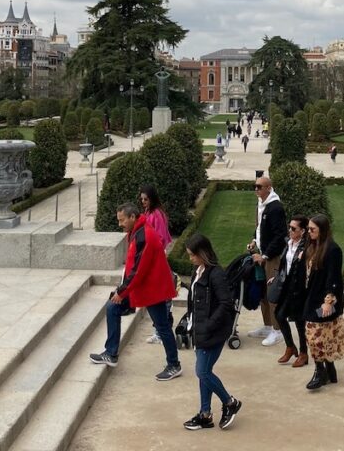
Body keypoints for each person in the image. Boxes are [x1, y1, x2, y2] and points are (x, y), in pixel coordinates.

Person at [89, 203, 180, 380]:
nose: (120, 224)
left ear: (132, 217)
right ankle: (111, 353)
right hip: (143, 287)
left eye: (122, 220)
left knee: (162, 327)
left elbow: (139, 270)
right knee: (112, 308)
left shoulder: (144, 235)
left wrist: (122, 291)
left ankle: (174, 364)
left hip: (153, 289)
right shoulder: (138, 232)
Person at [182, 233, 242, 431]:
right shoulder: (197, 271)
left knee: (203, 371)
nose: (190, 258)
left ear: (203, 253)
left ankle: (230, 402)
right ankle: (205, 415)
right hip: (199, 331)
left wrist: (208, 325)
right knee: (203, 372)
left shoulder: (216, 274)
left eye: (192, 255)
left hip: (212, 332)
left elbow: (226, 303)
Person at [303, 214, 344, 390]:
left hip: (324, 301)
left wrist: (328, 301)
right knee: (324, 335)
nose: (308, 232)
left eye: (312, 229)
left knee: (314, 336)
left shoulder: (333, 250)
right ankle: (329, 370)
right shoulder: (312, 246)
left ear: (322, 230)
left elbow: (334, 279)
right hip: (312, 298)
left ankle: (320, 372)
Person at [247, 175, 286, 347]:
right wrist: (254, 241)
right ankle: (268, 325)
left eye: (259, 187)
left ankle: (277, 331)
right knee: (263, 293)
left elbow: (280, 236)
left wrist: (265, 256)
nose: (256, 189)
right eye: (255, 186)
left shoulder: (275, 207)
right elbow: (259, 229)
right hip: (262, 254)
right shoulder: (261, 204)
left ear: (268, 188)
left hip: (272, 257)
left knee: (272, 294)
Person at [272, 214, 309, 367]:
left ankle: (303, 353)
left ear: (303, 231)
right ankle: (290, 346)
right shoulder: (289, 243)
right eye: (290, 227)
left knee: (299, 321)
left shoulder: (306, 247)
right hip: (286, 286)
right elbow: (284, 264)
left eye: (293, 228)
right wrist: (275, 277)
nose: (290, 230)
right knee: (279, 315)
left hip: (299, 289)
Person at [139, 184, 172, 345]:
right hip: (152, 257)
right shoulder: (150, 212)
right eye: (142, 199)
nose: (143, 202)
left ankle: (161, 331)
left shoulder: (156, 214)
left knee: (161, 297)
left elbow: (158, 238)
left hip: (157, 258)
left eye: (146, 199)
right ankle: (159, 330)